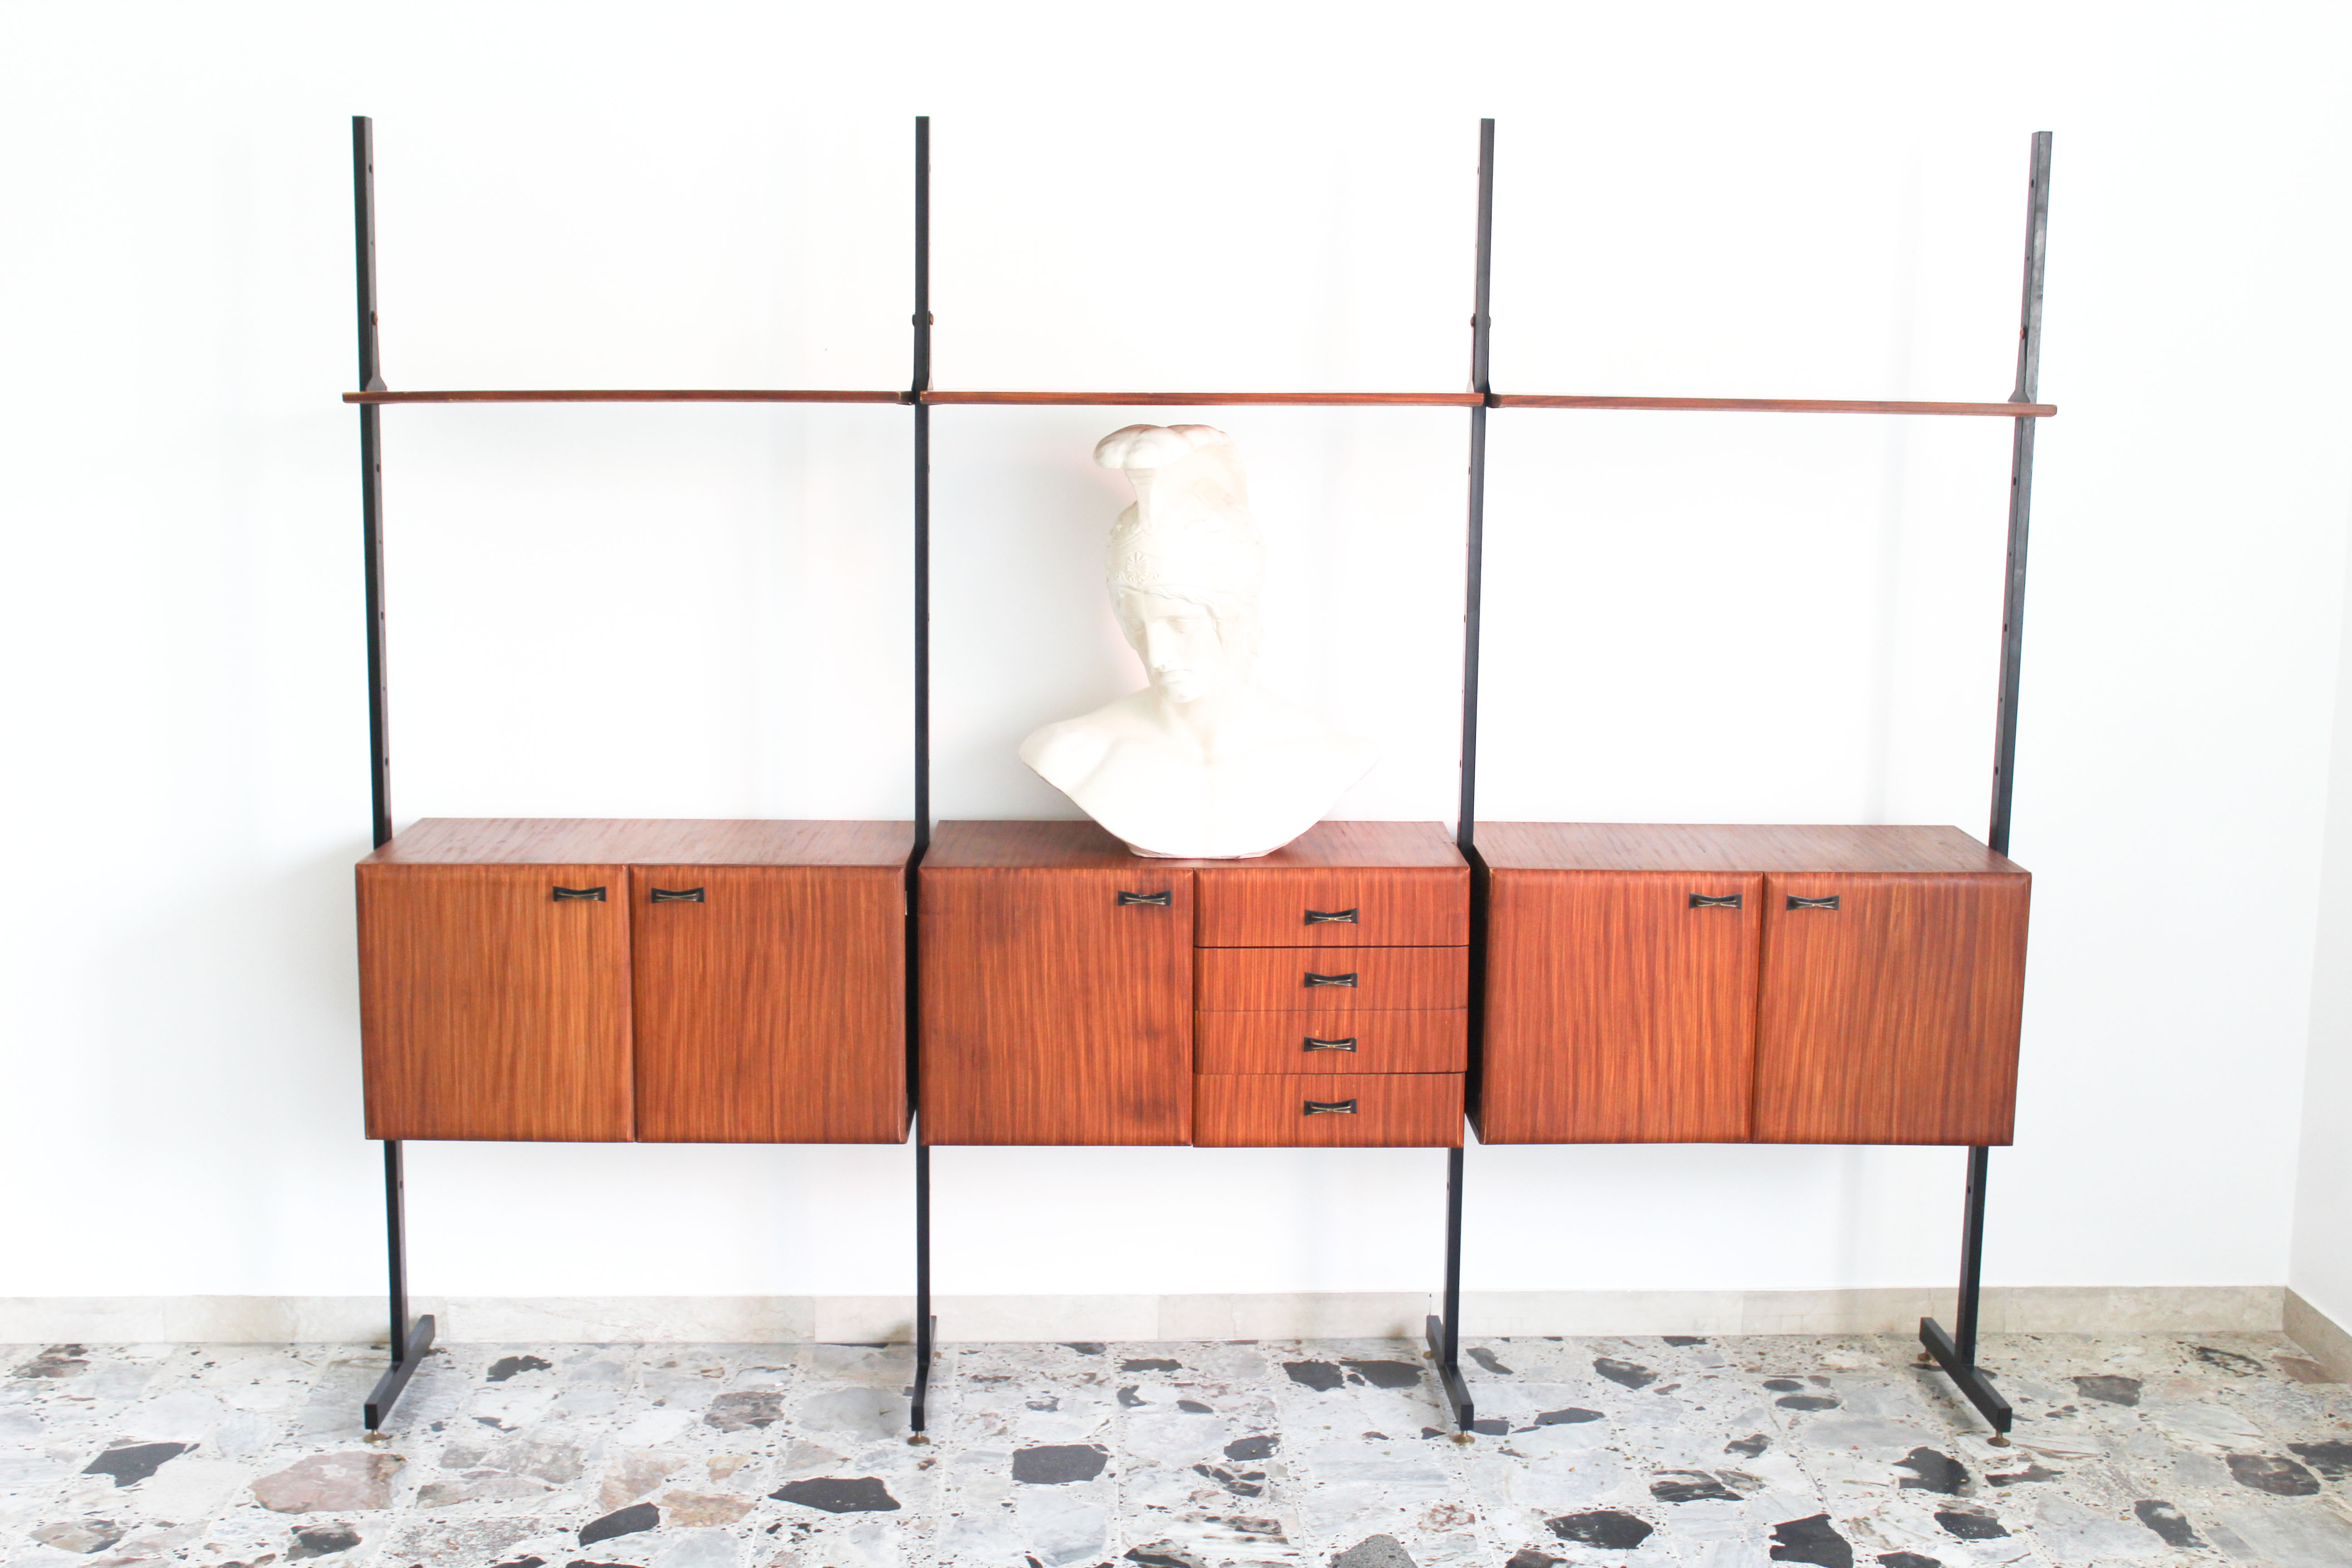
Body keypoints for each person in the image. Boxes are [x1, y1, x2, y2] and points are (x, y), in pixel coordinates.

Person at [1020, 423, 1378, 858]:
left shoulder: (1326, 757)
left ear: (1238, 617)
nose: (1157, 654)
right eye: (1137, 627)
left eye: (1181, 625)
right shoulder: (1074, 749)